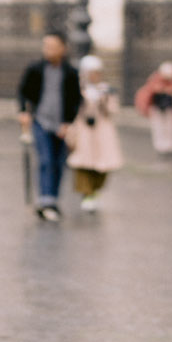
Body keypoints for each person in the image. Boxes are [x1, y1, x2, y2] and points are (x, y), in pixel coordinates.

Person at [17, 29, 82, 222]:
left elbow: (75, 99)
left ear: (63, 48)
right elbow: (23, 91)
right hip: (41, 121)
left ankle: (53, 200)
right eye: (46, 46)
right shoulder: (35, 69)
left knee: (58, 163)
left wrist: (68, 123)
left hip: (61, 124)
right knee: (45, 160)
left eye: (53, 46)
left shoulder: (70, 72)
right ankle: (44, 201)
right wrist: (23, 111)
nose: (49, 50)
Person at [68, 53, 124, 210]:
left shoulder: (106, 90)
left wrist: (104, 97)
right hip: (84, 131)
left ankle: (95, 191)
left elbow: (113, 110)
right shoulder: (79, 90)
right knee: (83, 164)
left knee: (103, 165)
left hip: (102, 131)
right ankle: (87, 194)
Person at [134, 60, 172, 156]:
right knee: (158, 128)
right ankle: (160, 147)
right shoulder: (154, 80)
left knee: (170, 128)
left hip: (171, 109)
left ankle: (170, 147)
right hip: (157, 108)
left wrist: (171, 91)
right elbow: (146, 94)